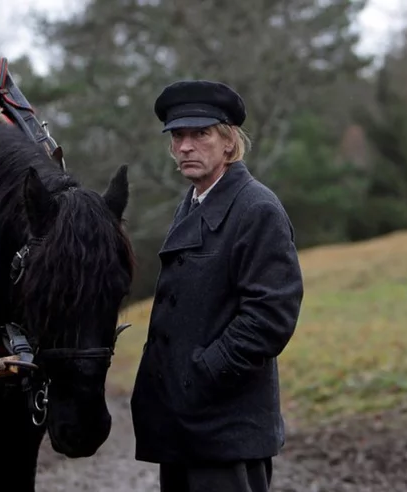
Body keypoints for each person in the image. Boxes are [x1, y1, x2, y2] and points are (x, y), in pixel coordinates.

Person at [130, 79, 304, 492]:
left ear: (229, 142)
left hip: (226, 429)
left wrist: (202, 373)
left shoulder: (256, 208)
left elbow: (271, 316)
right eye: (178, 136)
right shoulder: (193, 202)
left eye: (200, 134)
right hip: (183, 427)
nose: (186, 146)